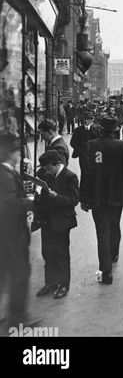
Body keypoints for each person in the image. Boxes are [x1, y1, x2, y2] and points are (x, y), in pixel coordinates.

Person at [80, 117, 123, 285]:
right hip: (116, 195)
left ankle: (105, 272)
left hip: (97, 197)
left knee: (102, 232)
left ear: (100, 129)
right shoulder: (122, 146)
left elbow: (86, 173)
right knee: (115, 224)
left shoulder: (90, 146)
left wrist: (84, 198)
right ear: (115, 130)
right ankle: (114, 253)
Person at [34, 150, 79, 300]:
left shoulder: (70, 177)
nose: (46, 171)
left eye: (48, 168)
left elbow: (73, 201)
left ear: (57, 164)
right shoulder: (47, 174)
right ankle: (51, 282)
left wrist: (56, 196)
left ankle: (64, 284)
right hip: (47, 220)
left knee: (61, 253)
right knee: (47, 251)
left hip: (61, 221)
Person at [0, 132, 33, 329]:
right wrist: (29, 201)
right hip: (12, 235)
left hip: (5, 235)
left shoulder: (6, 172)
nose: (19, 155)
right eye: (16, 151)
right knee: (20, 274)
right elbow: (8, 205)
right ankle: (18, 320)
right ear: (9, 153)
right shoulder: (5, 175)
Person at [70, 111, 101, 176]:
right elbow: (72, 142)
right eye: (87, 119)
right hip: (83, 156)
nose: (89, 121)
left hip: (93, 155)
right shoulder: (78, 130)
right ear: (84, 120)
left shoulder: (96, 129)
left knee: (93, 173)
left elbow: (99, 142)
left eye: (90, 119)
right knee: (83, 172)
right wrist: (80, 150)